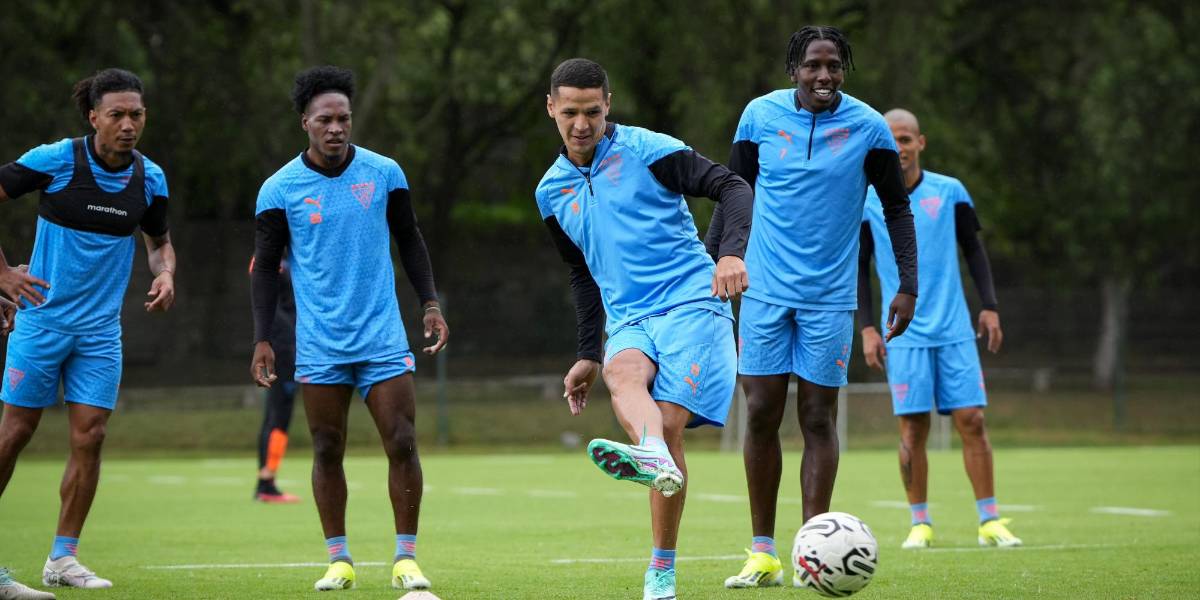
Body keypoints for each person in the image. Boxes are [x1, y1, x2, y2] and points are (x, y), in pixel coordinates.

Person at [536, 58, 753, 600]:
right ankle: (650, 453)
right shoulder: (550, 191)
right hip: (630, 319)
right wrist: (587, 353)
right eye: (570, 113)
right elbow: (582, 272)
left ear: (607, 105)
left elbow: (732, 186)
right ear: (551, 109)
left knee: (670, 427)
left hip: (692, 304)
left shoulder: (649, 150)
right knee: (621, 374)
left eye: (592, 112)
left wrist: (730, 254)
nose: (581, 124)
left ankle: (661, 568)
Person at [709, 26, 919, 588]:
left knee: (818, 418)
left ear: (843, 70)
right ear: (794, 70)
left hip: (829, 298)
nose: (824, 76)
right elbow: (733, 192)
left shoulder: (869, 128)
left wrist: (908, 285)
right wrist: (714, 259)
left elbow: (897, 209)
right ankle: (762, 552)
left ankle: (812, 550)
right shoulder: (759, 116)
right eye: (813, 66)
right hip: (763, 292)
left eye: (833, 66)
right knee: (760, 411)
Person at [249, 66, 449, 593]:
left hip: (382, 335)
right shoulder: (279, 189)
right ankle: (339, 560)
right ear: (305, 123)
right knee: (325, 447)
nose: (336, 128)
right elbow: (265, 268)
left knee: (403, 442)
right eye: (325, 120)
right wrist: (263, 338)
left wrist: (429, 303)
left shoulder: (384, 173)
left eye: (343, 118)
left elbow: (410, 240)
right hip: (320, 343)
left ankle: (406, 559)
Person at [0, 68, 176, 591]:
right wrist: (3, 273)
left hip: (100, 333)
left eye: (136, 115)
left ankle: (63, 559)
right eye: (117, 114)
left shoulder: (150, 178)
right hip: (42, 321)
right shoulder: (57, 160)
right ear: (93, 116)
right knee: (14, 434)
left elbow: (159, 242)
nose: (128, 124)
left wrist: (165, 272)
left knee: (91, 437)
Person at [859, 108, 1021, 549]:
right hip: (903, 335)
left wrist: (990, 307)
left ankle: (990, 520)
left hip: (954, 331)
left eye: (906, 139)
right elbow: (859, 267)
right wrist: (868, 328)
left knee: (973, 420)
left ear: (921, 143)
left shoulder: (950, 192)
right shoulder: (869, 201)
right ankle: (920, 524)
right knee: (913, 430)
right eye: (891, 140)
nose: (900, 147)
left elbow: (974, 250)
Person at [250, 256, 300, 503]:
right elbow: (269, 306)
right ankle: (266, 483)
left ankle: (266, 480)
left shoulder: (291, 259)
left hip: (290, 345)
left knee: (278, 413)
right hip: (283, 348)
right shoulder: (267, 260)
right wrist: (289, 341)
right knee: (279, 413)